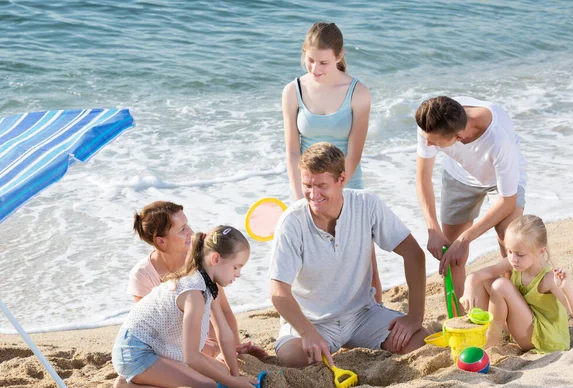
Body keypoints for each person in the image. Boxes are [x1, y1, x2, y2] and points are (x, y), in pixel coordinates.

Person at [269, 142, 429, 368]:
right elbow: (278, 292)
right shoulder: (291, 222)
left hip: (362, 315)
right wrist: (307, 333)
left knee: (419, 341)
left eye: (321, 185)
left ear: (341, 179)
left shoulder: (367, 204)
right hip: (313, 321)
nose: (313, 194)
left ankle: (357, 339)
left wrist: (414, 317)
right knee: (292, 356)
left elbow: (414, 254)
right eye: (307, 185)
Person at [282, 21, 383, 302]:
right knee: (313, 255)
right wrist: (301, 192)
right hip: (308, 185)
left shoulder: (358, 92)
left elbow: (354, 151)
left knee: (362, 252)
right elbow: (292, 150)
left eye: (323, 62)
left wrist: (334, 189)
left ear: (339, 56)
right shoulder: (293, 91)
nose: (315, 69)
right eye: (310, 60)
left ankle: (374, 310)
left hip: (346, 180)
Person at [103, 226, 257, 388]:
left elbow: (223, 331)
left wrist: (234, 376)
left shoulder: (208, 283)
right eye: (236, 267)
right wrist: (233, 383)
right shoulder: (193, 293)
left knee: (222, 373)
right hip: (135, 352)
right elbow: (191, 357)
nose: (238, 274)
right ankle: (129, 387)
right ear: (215, 259)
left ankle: (144, 379)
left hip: (156, 347)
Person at [415, 95, 527, 301]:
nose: (427, 142)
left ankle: (513, 307)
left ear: (459, 138)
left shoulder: (499, 141)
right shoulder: (432, 123)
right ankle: (459, 319)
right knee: (450, 254)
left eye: (434, 142)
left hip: (501, 181)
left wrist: (465, 239)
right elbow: (423, 176)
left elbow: (507, 201)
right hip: (459, 178)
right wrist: (433, 228)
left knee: (511, 242)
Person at [128, 200, 266, 359]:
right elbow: (155, 334)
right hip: (170, 347)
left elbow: (223, 311)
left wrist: (235, 349)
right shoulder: (142, 275)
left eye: (187, 225)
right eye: (182, 230)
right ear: (161, 241)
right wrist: (213, 350)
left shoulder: (199, 261)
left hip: (205, 341)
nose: (191, 232)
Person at [460, 215, 573, 352]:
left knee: (501, 286)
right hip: (522, 326)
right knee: (484, 280)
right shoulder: (513, 263)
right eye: (509, 251)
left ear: (541, 251)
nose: (513, 259)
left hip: (543, 339)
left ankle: (490, 342)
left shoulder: (548, 279)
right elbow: (476, 275)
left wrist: (565, 289)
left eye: (520, 254)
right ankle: (481, 329)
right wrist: (469, 290)